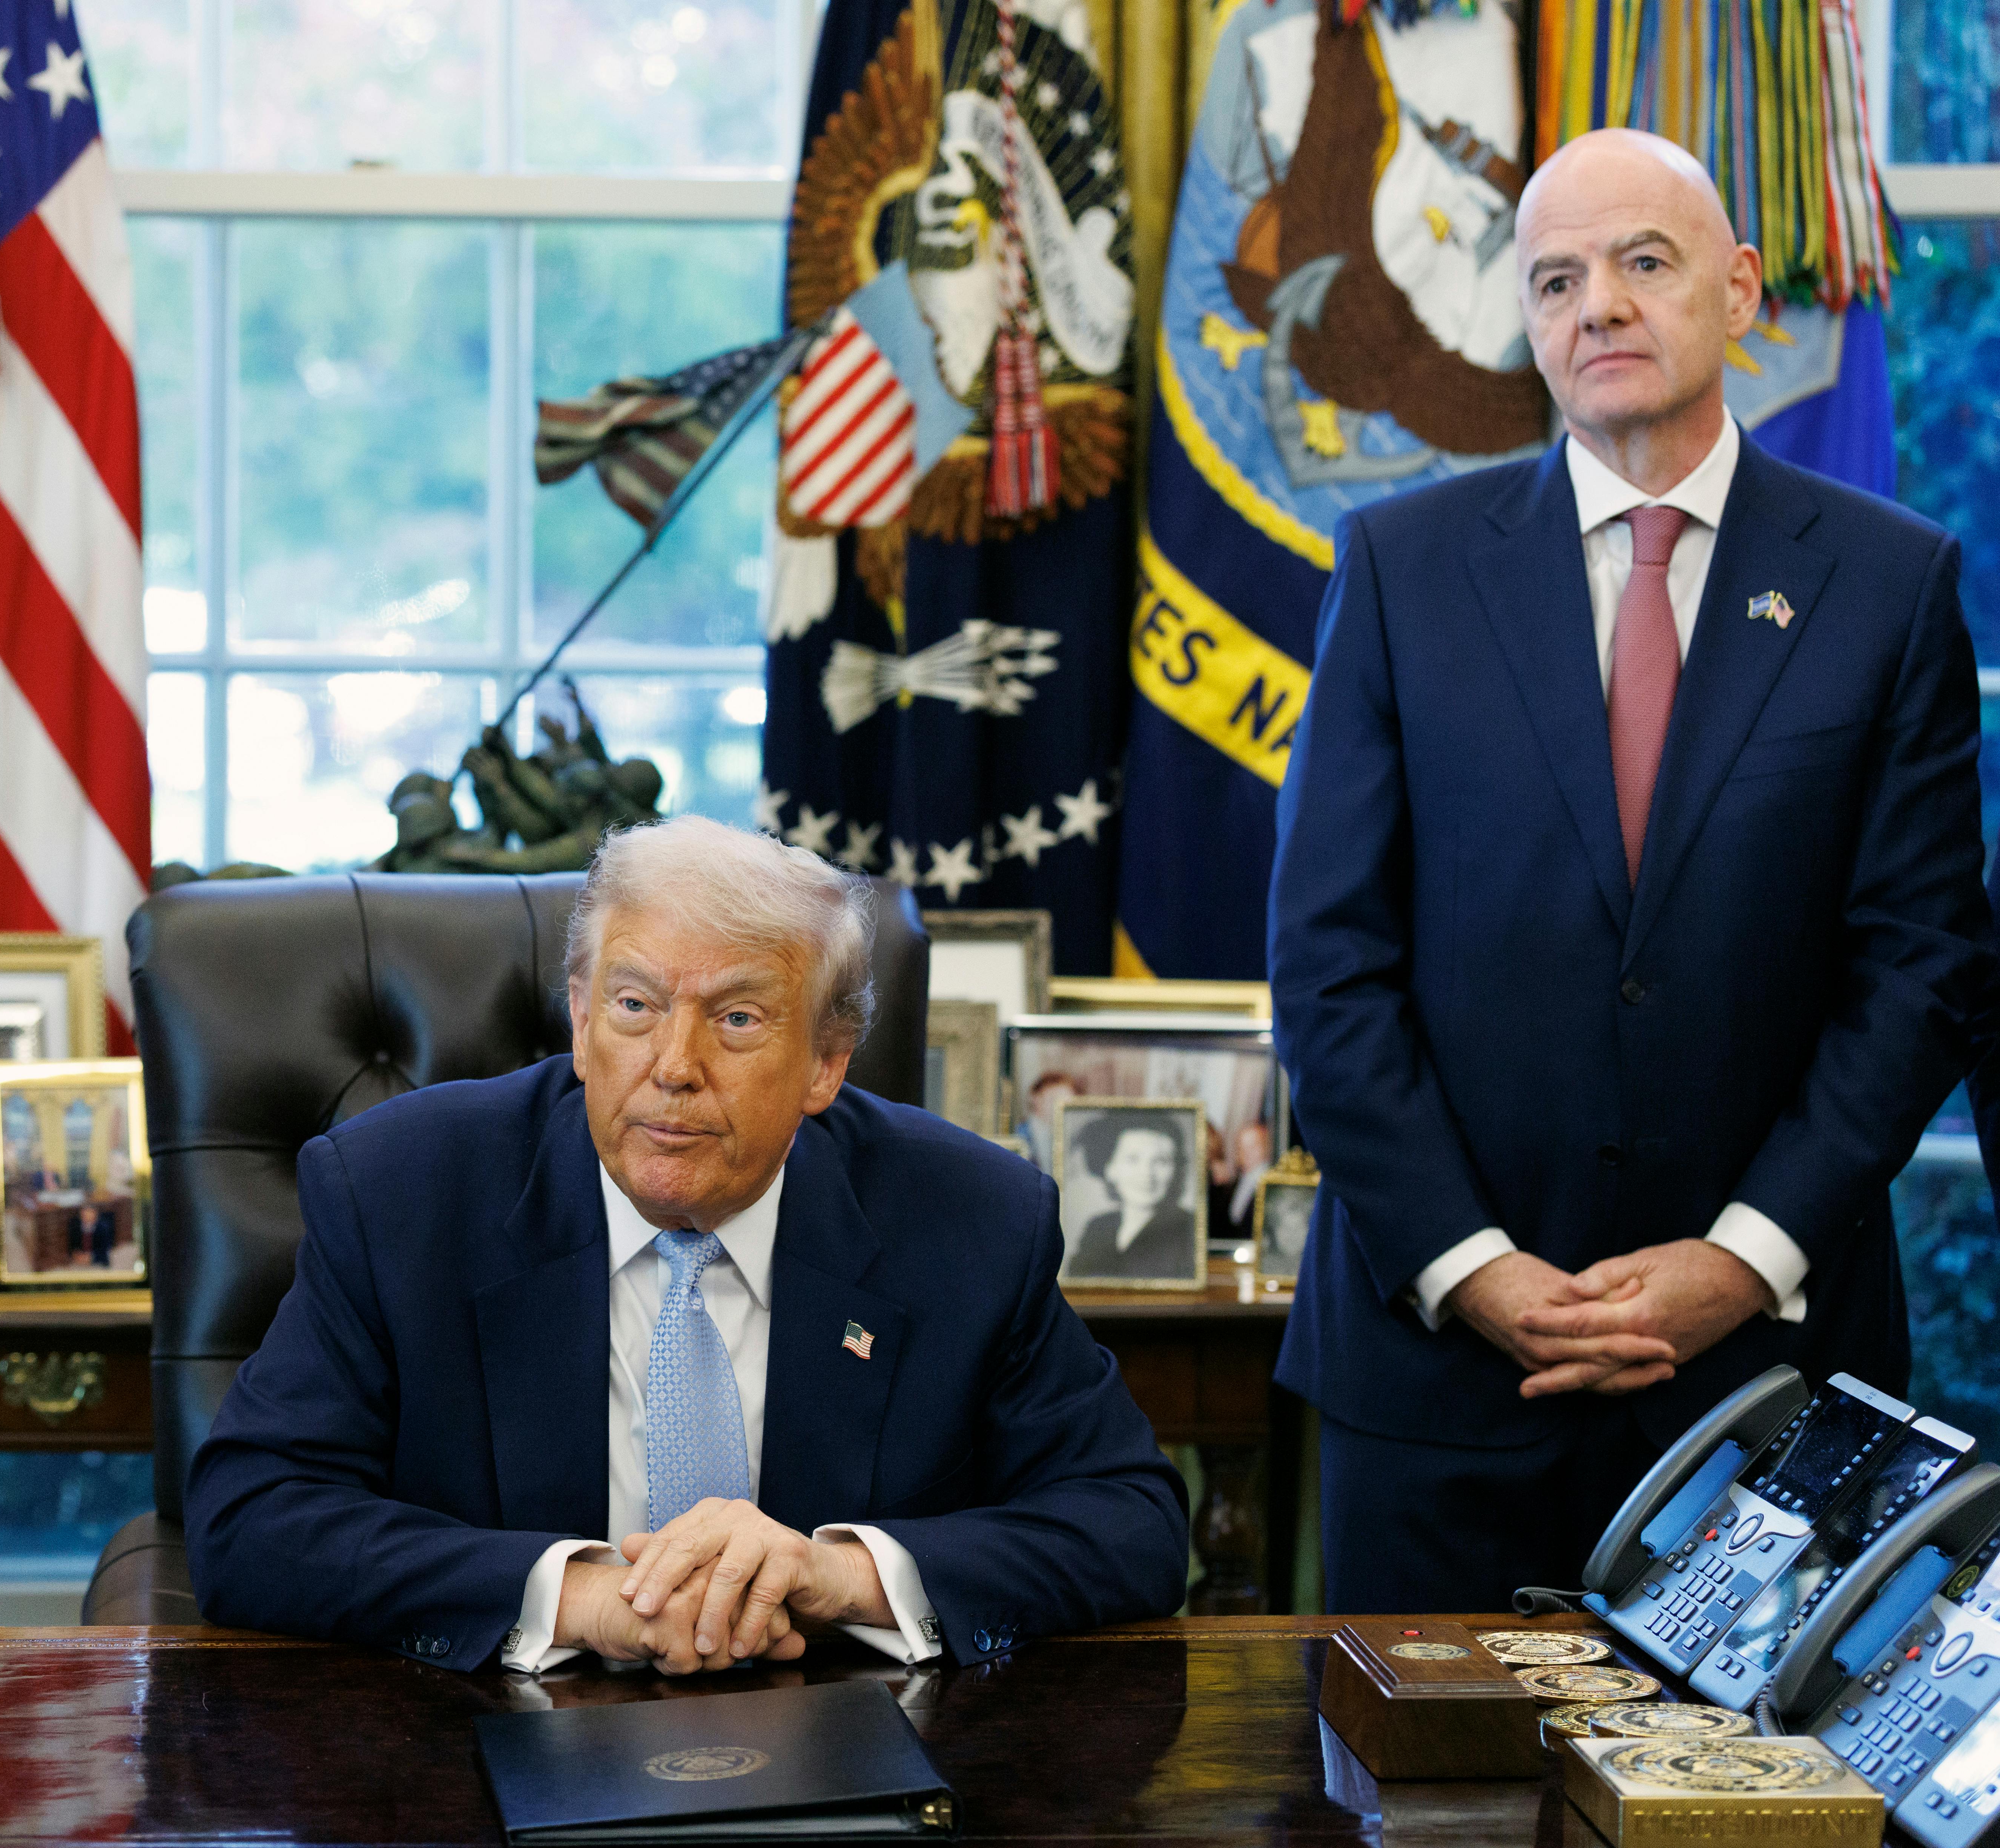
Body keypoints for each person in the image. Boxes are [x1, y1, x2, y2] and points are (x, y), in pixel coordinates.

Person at [1269, 129, 1994, 1613]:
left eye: (1639, 264)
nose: (1593, 305)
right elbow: (1326, 963)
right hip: (1439, 1380)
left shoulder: (1889, 578)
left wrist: (1737, 1260)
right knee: (1423, 1828)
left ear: (1737, 292)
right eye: (1551, 279)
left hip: (1765, 1379)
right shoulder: (1398, 569)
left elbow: (1916, 968)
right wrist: (1476, 1269)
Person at [188, 816, 1187, 1674]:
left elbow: (1129, 1521)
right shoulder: (399, 1193)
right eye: (632, 1006)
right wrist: (577, 1597)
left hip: (850, 1741)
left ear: (825, 1063)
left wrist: (834, 1573)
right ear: (580, 1023)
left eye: (737, 1018)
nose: (673, 1066)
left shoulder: (970, 1216)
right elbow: (249, 1517)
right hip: (478, 1745)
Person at [1064, 1112, 1199, 1281]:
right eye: (1133, 1160)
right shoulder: (1098, 1227)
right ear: (1110, 1169)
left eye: (1161, 1162)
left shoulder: (1189, 1229)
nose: (1146, 1175)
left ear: (1176, 1171)